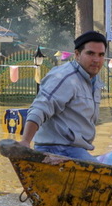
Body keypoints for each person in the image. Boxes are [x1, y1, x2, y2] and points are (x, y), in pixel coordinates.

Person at [18, 31, 107, 161]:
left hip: (77, 150)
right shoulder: (65, 77)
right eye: (90, 53)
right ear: (77, 54)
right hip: (57, 150)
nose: (96, 59)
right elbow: (40, 108)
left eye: (101, 55)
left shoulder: (94, 81)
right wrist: (25, 141)